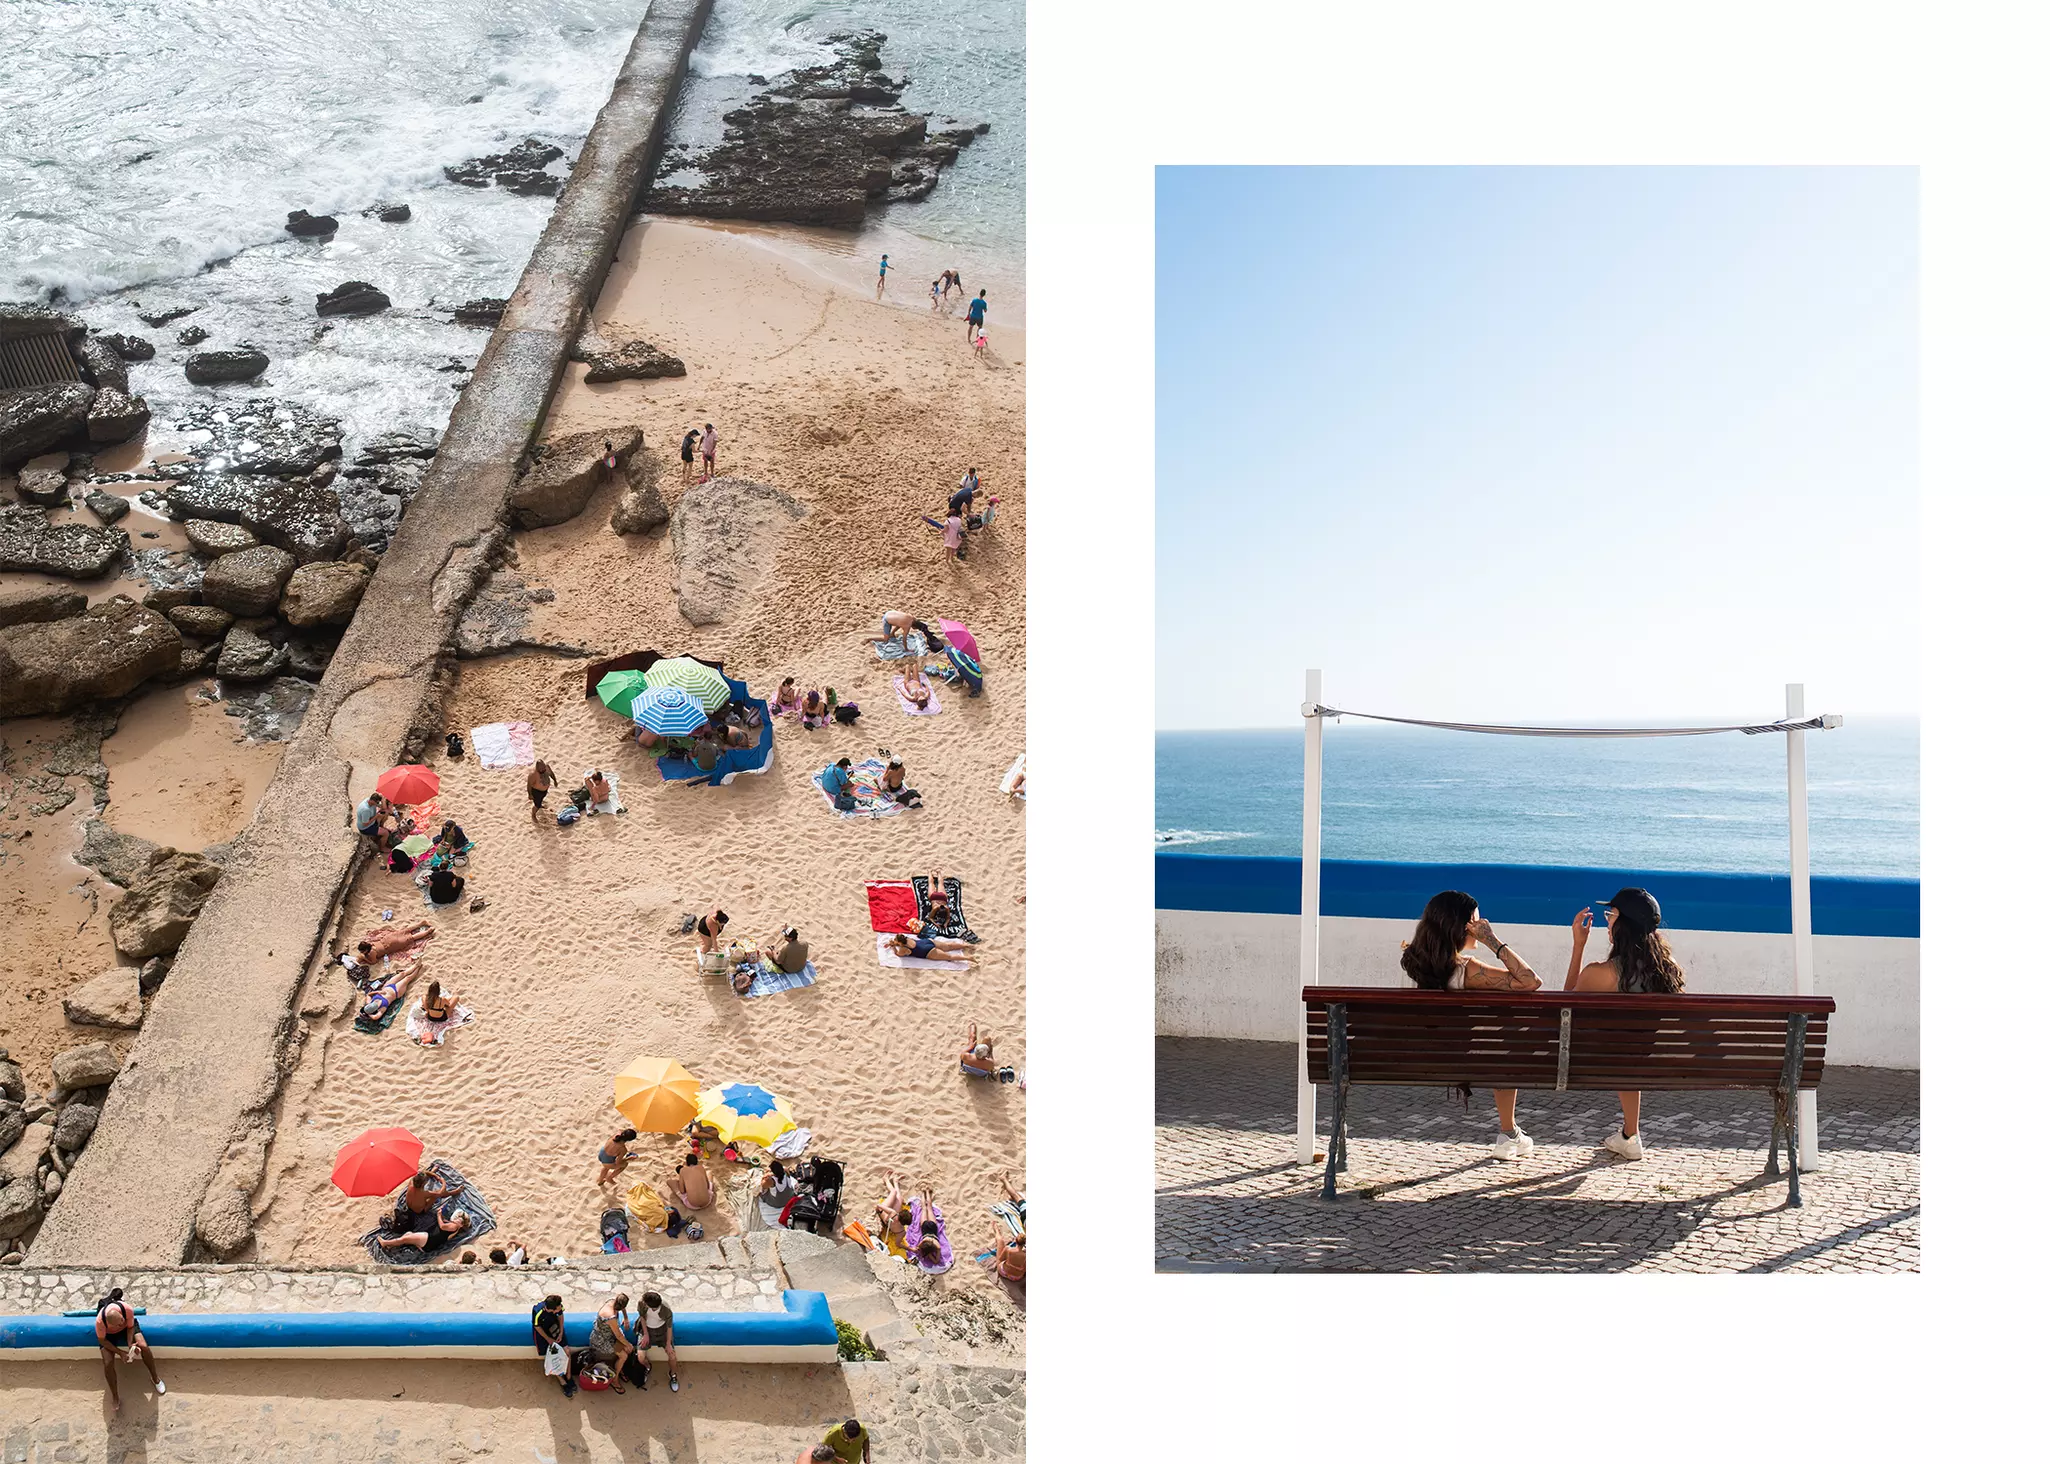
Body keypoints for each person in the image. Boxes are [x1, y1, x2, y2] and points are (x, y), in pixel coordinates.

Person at [1400, 889, 1543, 1161]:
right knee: (1503, 1045)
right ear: (1461, 927)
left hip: (1419, 1058)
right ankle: (1509, 1132)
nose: (1480, 926)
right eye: (1476, 922)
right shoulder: (1467, 970)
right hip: (1469, 1060)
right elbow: (1530, 982)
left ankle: (1510, 1133)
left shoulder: (1412, 962)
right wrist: (1492, 940)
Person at [1566, 887, 1685, 1161]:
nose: (1607, 920)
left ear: (1624, 925)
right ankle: (1630, 1135)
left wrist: (1578, 946)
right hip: (1649, 1059)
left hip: (1600, 1059)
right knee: (1631, 1048)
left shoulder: (1601, 974)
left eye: (1611, 915)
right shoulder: (1667, 970)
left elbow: (1566, 1006)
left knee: (1623, 1047)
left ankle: (1630, 1136)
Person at [93, 1288, 164, 1411]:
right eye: (118, 1323)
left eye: (122, 1320)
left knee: (144, 1347)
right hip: (109, 1335)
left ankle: (155, 1378)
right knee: (108, 1363)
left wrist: (130, 1344)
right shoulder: (100, 1322)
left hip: (128, 1329)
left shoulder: (127, 1310)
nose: (121, 1324)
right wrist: (120, 1352)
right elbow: (102, 1340)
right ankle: (115, 1396)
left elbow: (130, 1327)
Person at [377, 1169, 469, 1252]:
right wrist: (442, 1181)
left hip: (410, 1208)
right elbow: (441, 1193)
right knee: (435, 1197)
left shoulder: (411, 1183)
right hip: (426, 1238)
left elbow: (423, 1172)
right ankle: (386, 1243)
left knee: (408, 1235)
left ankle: (395, 1244)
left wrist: (434, 1174)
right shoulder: (425, 1193)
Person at [532, 1293, 576, 1397]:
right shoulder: (538, 1312)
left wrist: (560, 1332)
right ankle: (562, 1381)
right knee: (553, 1358)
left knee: (567, 1352)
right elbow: (537, 1327)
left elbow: (560, 1317)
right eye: (558, 1308)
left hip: (555, 1329)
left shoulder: (558, 1306)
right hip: (544, 1335)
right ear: (551, 1309)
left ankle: (569, 1377)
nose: (560, 1308)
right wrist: (548, 1339)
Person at [636, 1290, 680, 1392]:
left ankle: (673, 1375)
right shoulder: (641, 1303)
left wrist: (668, 1343)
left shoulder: (666, 1310)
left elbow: (669, 1327)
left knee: (672, 1356)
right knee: (640, 1357)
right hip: (647, 1329)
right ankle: (647, 1367)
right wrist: (646, 1334)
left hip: (662, 1330)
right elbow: (642, 1317)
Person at [590, 1292, 634, 1389]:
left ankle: (619, 1367)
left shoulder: (613, 1301)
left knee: (625, 1351)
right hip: (602, 1340)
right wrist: (628, 1344)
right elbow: (618, 1335)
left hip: (610, 1335)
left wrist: (626, 1318)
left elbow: (622, 1307)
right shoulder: (610, 1317)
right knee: (624, 1355)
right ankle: (615, 1379)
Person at [357, 960, 422, 1023]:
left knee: (402, 973)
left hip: (387, 986)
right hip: (396, 992)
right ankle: (418, 968)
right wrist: (368, 1013)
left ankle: (415, 965)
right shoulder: (381, 1009)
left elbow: (368, 994)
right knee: (407, 978)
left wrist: (377, 992)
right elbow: (375, 1017)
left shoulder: (369, 1002)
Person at [357, 921, 436, 962]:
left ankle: (428, 931)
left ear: (366, 950)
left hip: (391, 945)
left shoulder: (372, 952)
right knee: (405, 931)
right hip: (387, 938)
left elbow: (374, 962)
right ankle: (421, 923)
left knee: (412, 938)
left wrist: (365, 959)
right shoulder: (371, 944)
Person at [758, 1159, 800, 1227]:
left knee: (762, 1193)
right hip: (789, 1196)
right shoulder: (786, 1171)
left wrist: (766, 1176)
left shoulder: (771, 1180)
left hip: (777, 1203)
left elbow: (763, 1185)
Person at [888, 931, 975, 963]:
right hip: (927, 942)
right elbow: (901, 942)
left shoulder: (904, 949)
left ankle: (968, 958)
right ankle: (966, 945)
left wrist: (893, 947)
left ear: (900, 943)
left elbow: (898, 954)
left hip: (927, 951)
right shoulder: (907, 938)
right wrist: (895, 943)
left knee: (949, 957)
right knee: (948, 946)